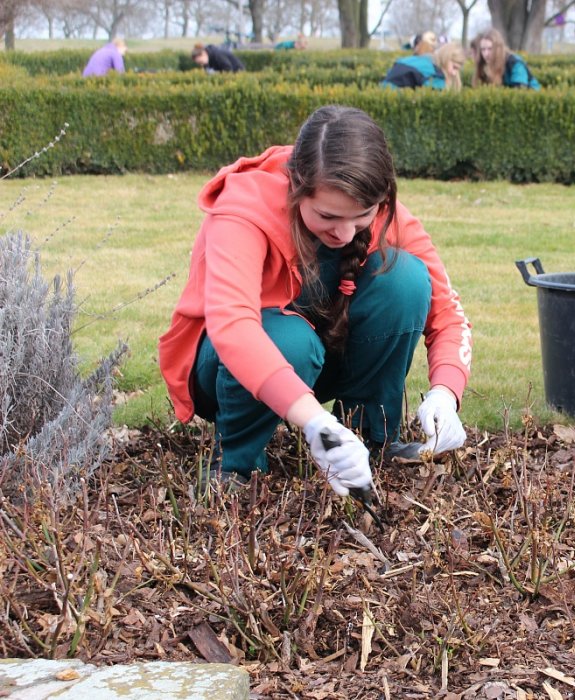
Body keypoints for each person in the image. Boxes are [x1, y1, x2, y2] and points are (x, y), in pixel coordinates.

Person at [158, 105, 473, 491]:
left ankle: (370, 439)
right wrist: (316, 423)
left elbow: (447, 311)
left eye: (361, 216)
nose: (344, 232)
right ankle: (236, 466)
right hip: (225, 372)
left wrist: (445, 392)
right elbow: (233, 327)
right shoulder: (242, 210)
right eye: (326, 216)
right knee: (291, 340)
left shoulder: (387, 213)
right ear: (296, 186)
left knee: (405, 279)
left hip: (319, 359)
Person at [471, 29, 541, 90]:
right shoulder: (484, 63)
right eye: (483, 49)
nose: (486, 54)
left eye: (490, 49)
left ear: (498, 48)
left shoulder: (515, 63)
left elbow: (520, 90)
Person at [381, 43, 465, 91]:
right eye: (454, 67)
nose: (454, 73)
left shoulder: (424, 60)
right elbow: (436, 95)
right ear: (446, 58)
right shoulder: (435, 73)